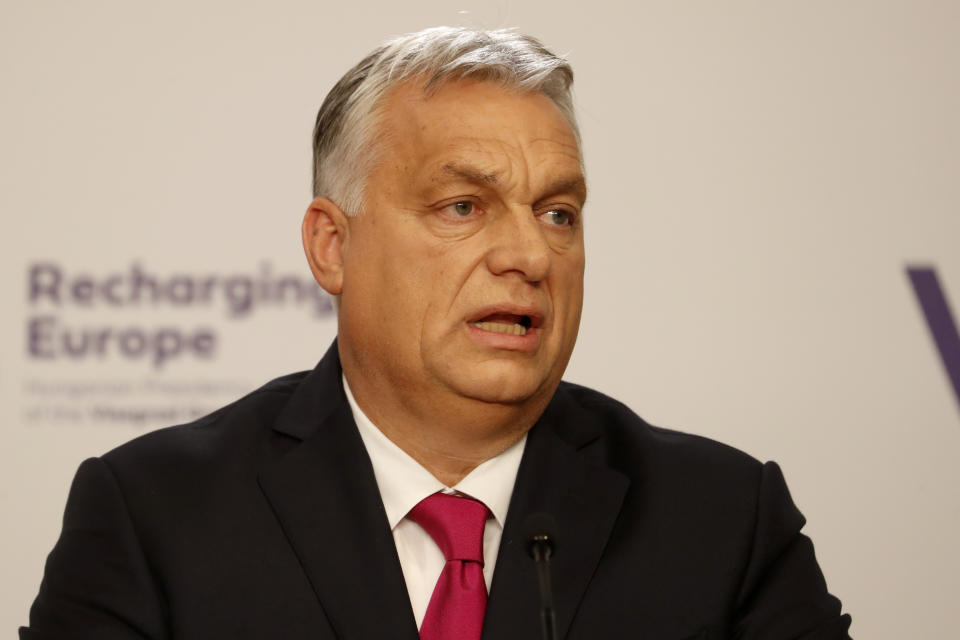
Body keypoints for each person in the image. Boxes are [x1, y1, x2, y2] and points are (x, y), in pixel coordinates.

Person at [21, 27, 852, 639]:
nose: (530, 253)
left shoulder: (719, 520)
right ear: (332, 245)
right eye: (464, 207)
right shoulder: (156, 516)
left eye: (558, 213)